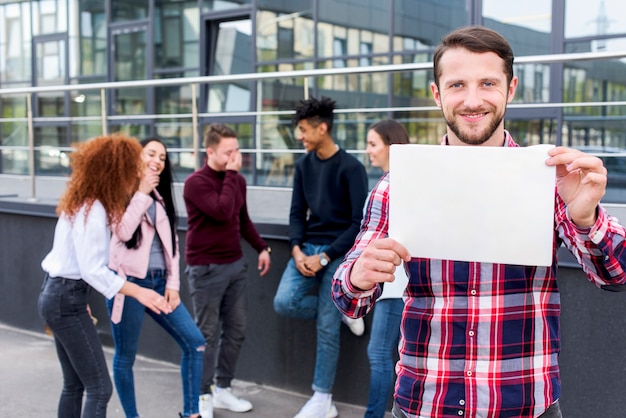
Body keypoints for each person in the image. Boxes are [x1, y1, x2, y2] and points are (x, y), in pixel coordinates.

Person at [332, 25, 626, 418]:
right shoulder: (398, 183)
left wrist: (585, 215)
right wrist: (358, 275)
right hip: (425, 402)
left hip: (524, 404)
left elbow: (616, 276)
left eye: (488, 82)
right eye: (457, 85)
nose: (472, 100)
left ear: (511, 88)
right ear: (437, 94)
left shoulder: (552, 178)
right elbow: (347, 299)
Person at [38, 133, 172, 418]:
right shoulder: (93, 209)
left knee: (74, 385)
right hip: (65, 298)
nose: (134, 175)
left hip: (60, 294)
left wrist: (79, 295)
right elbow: (91, 269)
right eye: (130, 169)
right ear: (116, 172)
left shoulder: (83, 202)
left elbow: (72, 263)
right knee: (100, 388)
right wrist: (140, 291)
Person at [273, 96, 369, 418]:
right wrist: (298, 249)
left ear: (322, 128)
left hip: (339, 253)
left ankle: (322, 398)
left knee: (326, 329)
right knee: (284, 302)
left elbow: (359, 224)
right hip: (308, 248)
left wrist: (326, 258)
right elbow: (297, 213)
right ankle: (341, 310)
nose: (299, 136)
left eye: (303, 130)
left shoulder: (352, 168)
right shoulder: (303, 166)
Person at [106, 137, 205, 418]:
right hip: (128, 286)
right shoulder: (119, 194)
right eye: (151, 154)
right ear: (137, 157)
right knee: (125, 357)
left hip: (160, 284)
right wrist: (141, 193)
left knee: (195, 342)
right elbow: (123, 233)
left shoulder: (160, 199)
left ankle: (191, 413)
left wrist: (173, 284)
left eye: (162, 157)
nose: (158, 161)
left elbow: (172, 246)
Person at [183, 123, 271, 418]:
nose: (236, 156)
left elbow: (241, 219)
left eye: (237, 150)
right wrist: (232, 175)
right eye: (228, 152)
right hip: (206, 268)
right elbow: (221, 212)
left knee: (236, 330)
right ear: (210, 152)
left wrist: (261, 247)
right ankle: (202, 395)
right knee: (205, 334)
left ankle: (222, 389)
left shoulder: (237, 181)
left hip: (235, 264)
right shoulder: (196, 183)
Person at [361, 120, 410, 418]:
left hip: (395, 285)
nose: (367, 150)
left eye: (372, 144)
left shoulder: (397, 186)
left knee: (379, 354)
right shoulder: (396, 183)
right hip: (391, 284)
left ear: (391, 146)